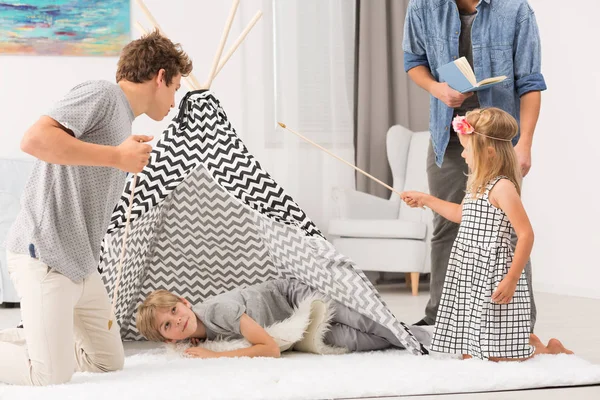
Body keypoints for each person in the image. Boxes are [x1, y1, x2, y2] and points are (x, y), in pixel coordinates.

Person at [0, 30, 193, 386]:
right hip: (46, 256)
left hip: (82, 267)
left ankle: (41, 342)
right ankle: (44, 352)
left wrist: (121, 157)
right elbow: (34, 139)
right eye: (176, 88)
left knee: (107, 361)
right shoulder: (104, 94)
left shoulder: (124, 119)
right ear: (160, 77)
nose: (174, 100)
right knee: (49, 376)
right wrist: (117, 157)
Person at [402, 0, 547, 328]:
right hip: (449, 135)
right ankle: (440, 319)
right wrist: (438, 89)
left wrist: (524, 144)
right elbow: (413, 62)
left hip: (498, 142)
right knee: (446, 226)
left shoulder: (515, 10)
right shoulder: (423, 7)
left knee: (505, 229)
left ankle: (519, 322)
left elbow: (531, 82)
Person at [401, 108, 572, 360]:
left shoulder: (503, 187)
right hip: (472, 268)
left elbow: (526, 235)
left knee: (501, 355)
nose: (462, 154)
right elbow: (461, 214)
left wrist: (512, 278)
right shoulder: (476, 183)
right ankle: (524, 341)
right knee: (472, 350)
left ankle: (547, 348)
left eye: (467, 149)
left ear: (488, 153)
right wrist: (426, 199)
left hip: (494, 272)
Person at [135, 279, 432, 358]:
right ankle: (412, 337)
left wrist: (212, 358)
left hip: (294, 298)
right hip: (295, 328)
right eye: (167, 325)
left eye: (174, 310)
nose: (177, 321)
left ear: (184, 302)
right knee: (356, 341)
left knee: (363, 321)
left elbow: (269, 349)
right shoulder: (197, 336)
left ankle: (435, 340)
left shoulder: (216, 312)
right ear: (167, 339)